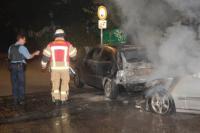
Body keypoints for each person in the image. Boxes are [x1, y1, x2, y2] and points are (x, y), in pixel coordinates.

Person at [41, 29, 77, 105]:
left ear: (55, 36)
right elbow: (73, 56)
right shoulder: (67, 44)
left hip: (54, 69)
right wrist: (75, 52)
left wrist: (43, 65)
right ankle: (63, 99)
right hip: (64, 69)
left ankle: (56, 100)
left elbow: (45, 57)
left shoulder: (50, 45)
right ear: (64, 36)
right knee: (65, 84)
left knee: (55, 84)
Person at [8, 34, 40, 105]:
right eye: (24, 40)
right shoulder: (22, 47)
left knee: (14, 83)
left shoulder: (11, 47)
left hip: (12, 66)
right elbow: (28, 57)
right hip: (19, 67)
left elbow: (9, 57)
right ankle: (21, 100)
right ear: (20, 39)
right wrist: (35, 53)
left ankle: (15, 99)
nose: (25, 41)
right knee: (21, 84)